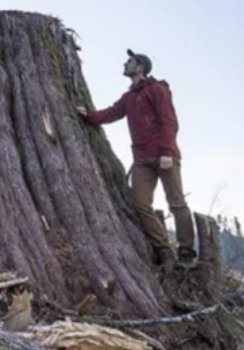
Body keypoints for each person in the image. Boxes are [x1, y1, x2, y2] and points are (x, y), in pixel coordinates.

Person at [77, 49, 195, 267]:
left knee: (177, 203)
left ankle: (186, 250)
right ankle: (163, 248)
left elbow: (168, 121)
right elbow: (111, 113)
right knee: (140, 204)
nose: (125, 64)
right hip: (142, 159)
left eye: (129, 61)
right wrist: (88, 115)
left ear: (140, 66)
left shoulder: (157, 89)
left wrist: (167, 152)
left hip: (164, 156)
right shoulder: (129, 97)